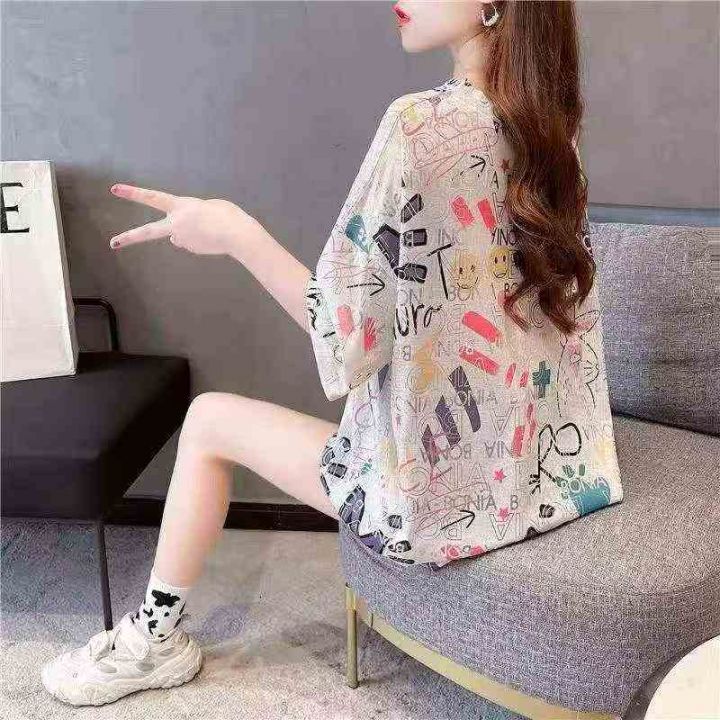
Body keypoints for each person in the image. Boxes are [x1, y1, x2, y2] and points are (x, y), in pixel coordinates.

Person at [41, 0, 624, 706]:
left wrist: (235, 233)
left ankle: (152, 640)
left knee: (208, 421)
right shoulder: (552, 134)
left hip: (431, 504)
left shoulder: (419, 126)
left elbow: (344, 339)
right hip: (552, 475)